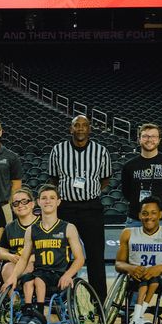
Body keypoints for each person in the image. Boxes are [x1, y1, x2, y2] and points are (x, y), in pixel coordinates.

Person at [3, 184, 85, 324]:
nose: (48, 201)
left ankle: (39, 315)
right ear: (38, 202)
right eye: (44, 198)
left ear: (58, 201)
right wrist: (13, 276)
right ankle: (27, 314)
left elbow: (80, 259)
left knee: (38, 279)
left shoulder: (68, 227)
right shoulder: (31, 230)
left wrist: (68, 275)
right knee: (28, 278)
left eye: (52, 198)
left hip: (58, 274)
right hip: (39, 271)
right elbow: (23, 259)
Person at [47, 114, 112, 301]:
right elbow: (54, 179)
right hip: (66, 208)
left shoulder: (101, 151)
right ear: (71, 128)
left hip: (91, 208)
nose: (81, 128)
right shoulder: (58, 150)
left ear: (89, 129)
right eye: (77, 125)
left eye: (84, 125)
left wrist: (90, 192)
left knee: (95, 255)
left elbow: (105, 178)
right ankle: (63, 298)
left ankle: (99, 300)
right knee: (63, 255)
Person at [114, 196, 162, 324]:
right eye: (145, 213)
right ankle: (137, 319)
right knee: (146, 279)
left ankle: (136, 318)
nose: (149, 217)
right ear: (140, 215)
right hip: (136, 277)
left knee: (152, 280)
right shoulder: (128, 233)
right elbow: (118, 263)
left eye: (153, 213)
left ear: (160, 214)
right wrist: (130, 268)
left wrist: (160, 268)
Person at [121, 123, 162, 227]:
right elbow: (126, 193)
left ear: (159, 140)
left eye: (153, 136)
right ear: (139, 139)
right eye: (145, 136)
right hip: (136, 219)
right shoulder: (129, 166)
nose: (149, 139)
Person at [0, 187, 39, 283]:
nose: (20, 205)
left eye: (24, 201)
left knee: (29, 267)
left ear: (32, 204)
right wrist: (9, 256)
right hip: (14, 263)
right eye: (16, 203)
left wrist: (28, 259)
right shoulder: (9, 227)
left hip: (36, 264)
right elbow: (0, 251)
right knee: (7, 268)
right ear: (12, 208)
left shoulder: (42, 224)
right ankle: (13, 297)